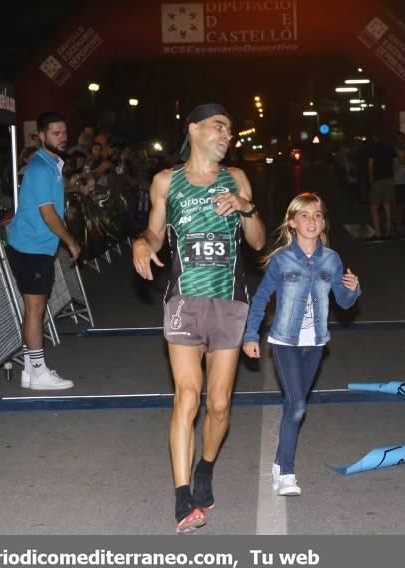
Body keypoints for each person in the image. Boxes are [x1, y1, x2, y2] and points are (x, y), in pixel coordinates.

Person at [131, 103, 266, 533]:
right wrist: (141, 242)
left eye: (230, 129)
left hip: (229, 301)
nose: (227, 135)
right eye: (219, 126)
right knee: (188, 396)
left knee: (220, 403)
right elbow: (155, 230)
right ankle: (182, 497)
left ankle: (205, 466)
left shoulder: (237, 179)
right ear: (193, 129)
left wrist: (246, 208)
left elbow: (259, 241)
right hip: (185, 301)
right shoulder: (166, 182)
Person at [242, 193, 361, 496]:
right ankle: (287, 473)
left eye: (318, 215)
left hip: (316, 343)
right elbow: (261, 298)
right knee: (297, 407)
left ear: (323, 223)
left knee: (293, 406)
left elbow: (344, 303)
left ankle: (279, 465)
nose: (312, 221)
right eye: (305, 216)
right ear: (292, 223)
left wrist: (353, 289)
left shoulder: (331, 259)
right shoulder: (282, 259)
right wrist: (250, 335)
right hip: (285, 341)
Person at [7, 111, 81, 390]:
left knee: (34, 309)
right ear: (41, 136)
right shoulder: (39, 167)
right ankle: (38, 372)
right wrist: (71, 240)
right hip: (30, 247)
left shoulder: (52, 165)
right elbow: (48, 214)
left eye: (64, 132)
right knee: (36, 309)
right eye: (55, 133)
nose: (62, 137)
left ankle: (29, 369)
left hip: (35, 247)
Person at [367, 133, 396, 241]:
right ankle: (388, 232)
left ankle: (378, 233)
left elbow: (370, 165)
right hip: (389, 178)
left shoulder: (373, 148)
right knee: (387, 206)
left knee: (374, 207)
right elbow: (394, 162)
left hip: (378, 179)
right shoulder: (389, 148)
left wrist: (370, 179)